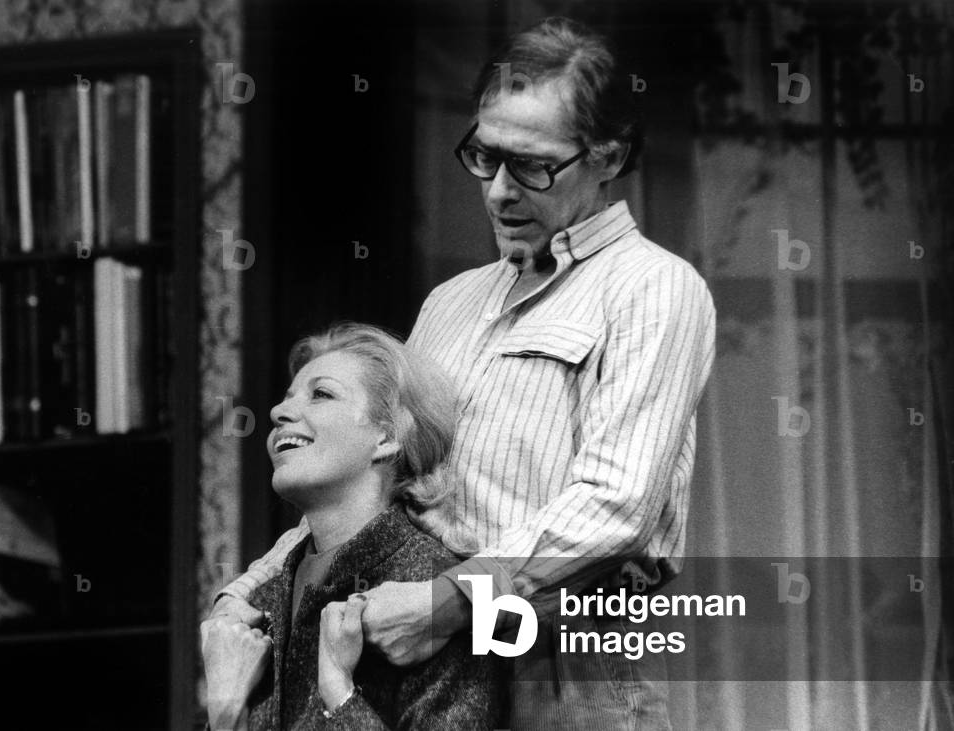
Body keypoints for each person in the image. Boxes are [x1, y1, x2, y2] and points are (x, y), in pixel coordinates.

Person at [212, 16, 716, 729]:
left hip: (565, 660)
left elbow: (614, 509)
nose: (499, 192)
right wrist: (246, 594)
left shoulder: (655, 288)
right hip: (420, 655)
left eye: (533, 165)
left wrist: (448, 602)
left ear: (607, 156)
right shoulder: (450, 303)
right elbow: (384, 482)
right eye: (484, 156)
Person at [201, 324, 498, 730]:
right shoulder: (260, 605)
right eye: (287, 398)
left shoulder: (432, 595)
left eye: (321, 394)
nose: (277, 412)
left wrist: (339, 694)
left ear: (387, 436)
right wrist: (224, 710)